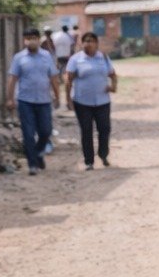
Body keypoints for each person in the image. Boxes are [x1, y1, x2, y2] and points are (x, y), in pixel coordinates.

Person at [7, 28, 60, 174]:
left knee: (45, 131)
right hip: (25, 101)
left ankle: (37, 153)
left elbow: (53, 77)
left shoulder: (46, 56)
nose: (31, 40)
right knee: (28, 134)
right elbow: (12, 79)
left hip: (44, 100)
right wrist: (10, 99)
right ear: (24, 40)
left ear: (38, 39)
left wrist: (57, 96)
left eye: (34, 37)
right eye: (28, 38)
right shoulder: (19, 58)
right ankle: (32, 165)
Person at [63, 31, 117, 170]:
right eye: (85, 40)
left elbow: (112, 74)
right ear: (81, 43)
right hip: (82, 102)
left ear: (96, 43)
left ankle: (103, 154)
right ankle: (89, 161)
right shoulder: (76, 59)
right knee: (86, 131)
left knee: (104, 129)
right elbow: (68, 80)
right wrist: (68, 99)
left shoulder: (103, 58)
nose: (88, 43)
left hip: (103, 101)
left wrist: (113, 87)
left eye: (91, 40)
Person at [50, 23, 75, 109]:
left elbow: (53, 46)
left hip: (58, 58)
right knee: (67, 79)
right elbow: (72, 46)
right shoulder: (69, 36)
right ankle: (68, 101)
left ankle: (59, 100)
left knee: (57, 78)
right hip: (66, 58)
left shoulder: (56, 35)